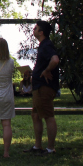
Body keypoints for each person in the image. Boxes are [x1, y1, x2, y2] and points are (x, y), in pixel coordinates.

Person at [24, 20, 60, 155]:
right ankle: (37, 146)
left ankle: (50, 149)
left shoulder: (46, 45)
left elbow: (55, 60)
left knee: (48, 116)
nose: (33, 30)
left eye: (36, 28)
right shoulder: (43, 46)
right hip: (39, 87)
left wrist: (46, 71)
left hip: (44, 87)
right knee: (35, 115)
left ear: (41, 32)